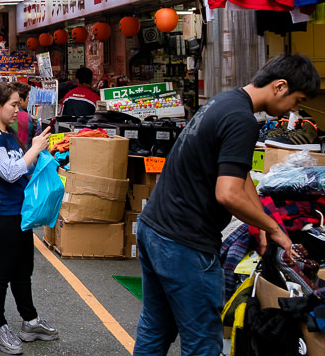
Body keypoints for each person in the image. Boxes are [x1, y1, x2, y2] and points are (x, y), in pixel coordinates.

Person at [133, 54, 320, 356]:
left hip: (154, 228)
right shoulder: (242, 120)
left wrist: (261, 226)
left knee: (156, 326)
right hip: (184, 242)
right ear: (280, 86)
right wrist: (273, 226)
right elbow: (228, 194)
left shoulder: (224, 102)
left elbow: (240, 173)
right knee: (202, 342)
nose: (294, 110)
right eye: (296, 100)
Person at [0, 81, 57, 354]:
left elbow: (22, 170)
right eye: (14, 105)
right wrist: (34, 148)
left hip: (19, 213)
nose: (17, 111)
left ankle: (30, 322)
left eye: (19, 105)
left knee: (23, 271)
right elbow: (9, 171)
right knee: (2, 273)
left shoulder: (8, 134)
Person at [10, 82, 38, 147]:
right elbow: (38, 143)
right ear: (20, 100)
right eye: (27, 97)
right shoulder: (32, 119)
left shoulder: (1, 117)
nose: (28, 100)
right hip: (28, 155)